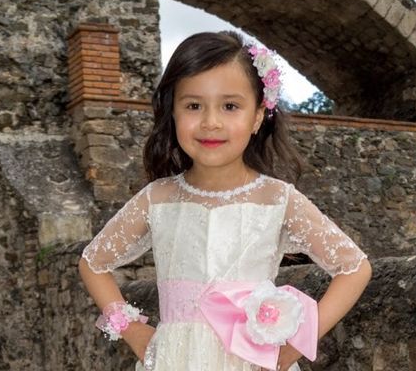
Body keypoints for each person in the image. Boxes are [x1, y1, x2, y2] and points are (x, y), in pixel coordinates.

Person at [78, 30, 372, 371]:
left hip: (252, 362)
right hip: (174, 361)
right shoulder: (156, 200)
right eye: (193, 106)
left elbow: (354, 268)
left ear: (258, 116)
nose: (211, 122)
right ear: (173, 114)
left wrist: (296, 344)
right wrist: (131, 330)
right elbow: (93, 263)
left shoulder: (277, 200)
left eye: (230, 106)